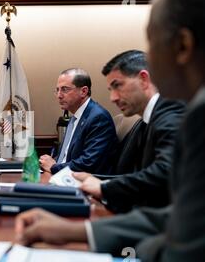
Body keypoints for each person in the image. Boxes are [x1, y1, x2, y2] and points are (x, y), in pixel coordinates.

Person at [15, 0, 205, 262]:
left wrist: (128, 256)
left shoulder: (190, 114)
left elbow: (183, 258)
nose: (149, 57)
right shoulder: (172, 113)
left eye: (152, 43)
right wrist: (77, 231)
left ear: (182, 46)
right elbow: (186, 217)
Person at [78, 50, 185, 213]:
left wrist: (105, 187)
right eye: (110, 90)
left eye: (117, 85)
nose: (112, 98)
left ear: (143, 79)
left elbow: (165, 172)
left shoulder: (171, 112)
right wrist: (94, 180)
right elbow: (139, 174)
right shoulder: (148, 118)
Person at [39, 68, 117, 175]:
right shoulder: (75, 117)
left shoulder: (98, 118)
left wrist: (53, 167)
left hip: (81, 184)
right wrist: (48, 162)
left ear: (83, 91)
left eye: (65, 89)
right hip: (63, 177)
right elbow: (65, 156)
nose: (59, 95)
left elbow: (88, 163)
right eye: (57, 90)